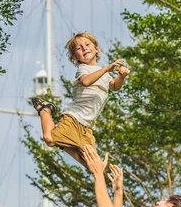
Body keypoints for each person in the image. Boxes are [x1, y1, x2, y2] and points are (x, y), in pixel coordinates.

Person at [31, 32, 129, 166]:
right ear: (74, 57)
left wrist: (122, 77)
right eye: (79, 48)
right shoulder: (83, 69)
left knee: (94, 165)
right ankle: (45, 110)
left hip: (87, 127)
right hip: (74, 118)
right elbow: (86, 81)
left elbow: (114, 86)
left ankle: (65, 144)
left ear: (97, 49)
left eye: (87, 45)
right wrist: (106, 69)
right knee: (49, 138)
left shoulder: (104, 73)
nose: (84, 48)